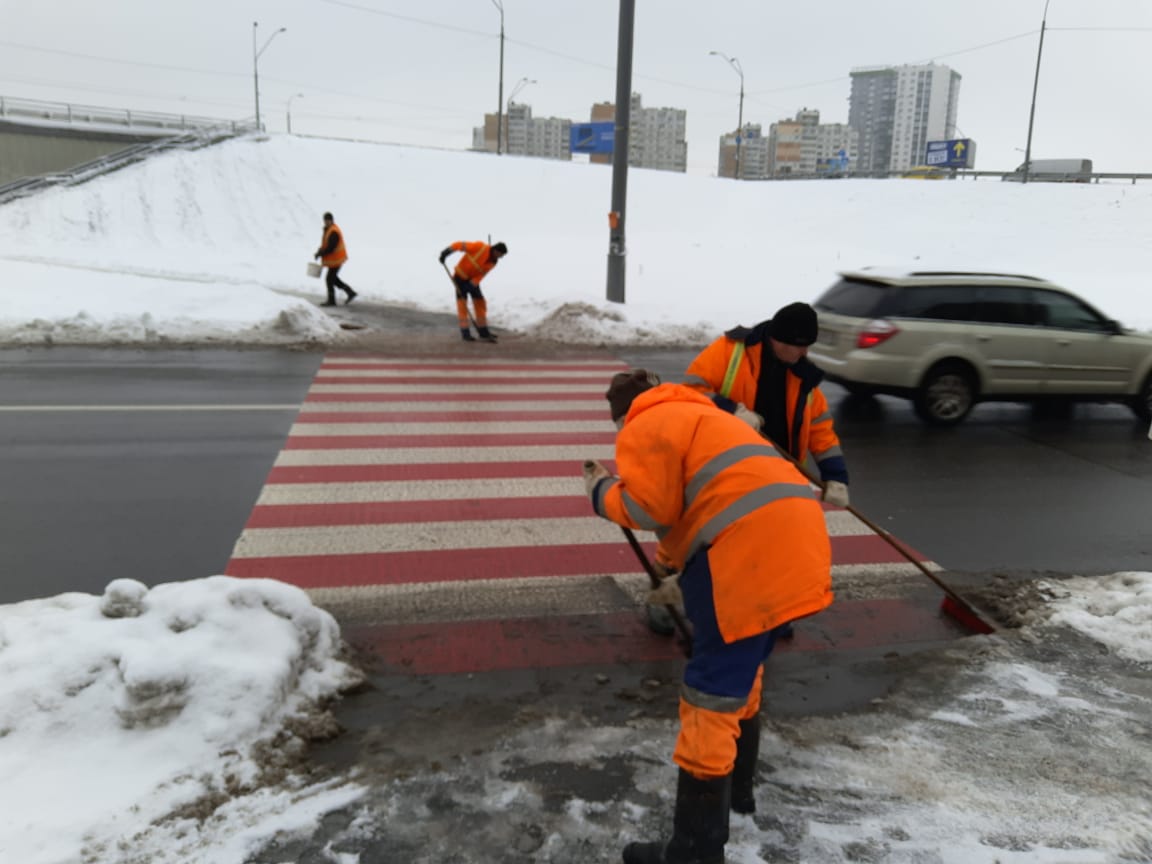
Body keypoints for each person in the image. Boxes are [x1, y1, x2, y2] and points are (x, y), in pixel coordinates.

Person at [582, 369, 833, 864]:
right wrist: (673, 573)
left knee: (709, 699)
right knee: (745, 669)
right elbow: (703, 501)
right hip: (798, 546)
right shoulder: (705, 415)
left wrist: (600, 490)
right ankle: (739, 795)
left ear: (622, 413)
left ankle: (695, 850)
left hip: (744, 557)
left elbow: (648, 506)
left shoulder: (645, 424)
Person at [668, 301, 849, 641]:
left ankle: (771, 612)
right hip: (722, 467)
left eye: (807, 346)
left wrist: (836, 474)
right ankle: (668, 601)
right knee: (702, 541)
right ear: (777, 339)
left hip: (776, 473)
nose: (802, 353)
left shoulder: (803, 375)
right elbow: (688, 392)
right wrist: (730, 409)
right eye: (797, 345)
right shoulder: (730, 351)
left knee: (772, 546)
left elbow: (821, 428)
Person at [439, 240, 507, 342]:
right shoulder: (480, 247)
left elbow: (481, 275)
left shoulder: (493, 262)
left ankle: (483, 332)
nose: (500, 258)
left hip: (472, 281)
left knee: (480, 302)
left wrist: (472, 284)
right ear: (495, 250)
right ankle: (465, 333)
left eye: (502, 256)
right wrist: (446, 252)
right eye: (500, 255)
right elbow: (459, 245)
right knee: (462, 305)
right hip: (459, 278)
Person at [313, 212, 357, 307]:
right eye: (325, 220)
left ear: (331, 220)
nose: (326, 222)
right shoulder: (328, 230)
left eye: (328, 220)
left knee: (329, 279)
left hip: (337, 259)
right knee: (333, 279)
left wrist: (320, 253)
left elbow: (331, 247)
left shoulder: (333, 231)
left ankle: (332, 300)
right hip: (335, 260)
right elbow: (325, 244)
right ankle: (350, 292)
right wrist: (319, 251)